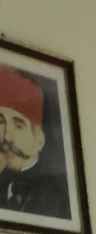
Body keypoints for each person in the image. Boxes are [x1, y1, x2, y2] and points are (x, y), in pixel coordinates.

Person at [0, 65, 70, 219]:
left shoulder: (60, 199)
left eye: (19, 125)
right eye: (1, 122)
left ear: (40, 140)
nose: (6, 137)